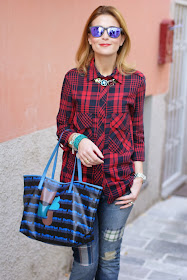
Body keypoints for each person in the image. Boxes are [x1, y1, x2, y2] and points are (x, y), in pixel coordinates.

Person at [56, 5, 146, 280]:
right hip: (78, 187)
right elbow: (62, 126)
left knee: (108, 261)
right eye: (98, 30)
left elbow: (138, 134)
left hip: (119, 189)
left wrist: (139, 177)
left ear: (121, 39)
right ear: (90, 38)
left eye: (112, 31)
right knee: (85, 265)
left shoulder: (136, 82)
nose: (105, 36)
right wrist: (78, 140)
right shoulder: (73, 79)